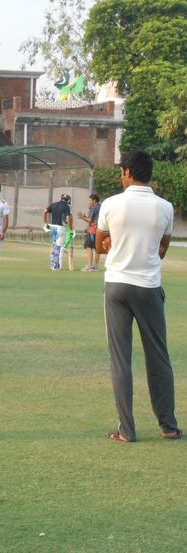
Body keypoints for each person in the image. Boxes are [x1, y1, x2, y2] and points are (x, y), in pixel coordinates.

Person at [97, 149, 181, 442]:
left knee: (121, 360)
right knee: (158, 357)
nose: (121, 176)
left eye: (122, 171)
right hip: (148, 287)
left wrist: (112, 244)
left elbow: (99, 245)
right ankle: (168, 426)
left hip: (117, 285)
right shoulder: (165, 208)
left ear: (128, 172)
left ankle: (127, 430)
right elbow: (162, 247)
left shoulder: (111, 204)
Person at [43, 194, 73, 270]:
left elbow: (45, 211)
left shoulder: (54, 204)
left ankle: (53, 264)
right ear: (68, 200)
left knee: (54, 246)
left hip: (53, 227)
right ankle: (57, 266)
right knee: (60, 248)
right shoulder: (66, 207)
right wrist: (70, 229)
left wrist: (45, 223)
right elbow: (68, 218)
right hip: (61, 227)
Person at [78, 193, 101, 272]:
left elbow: (90, 220)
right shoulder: (101, 207)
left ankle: (90, 265)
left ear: (94, 200)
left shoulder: (94, 208)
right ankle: (96, 265)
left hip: (93, 230)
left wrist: (82, 217)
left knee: (88, 246)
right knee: (97, 248)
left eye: (90, 200)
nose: (89, 202)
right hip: (100, 229)